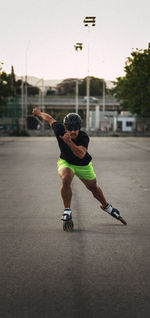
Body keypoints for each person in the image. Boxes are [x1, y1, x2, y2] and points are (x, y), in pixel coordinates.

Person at [32, 108, 127, 225]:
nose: (72, 131)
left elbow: (81, 154)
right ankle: (67, 210)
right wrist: (39, 113)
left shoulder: (83, 137)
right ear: (65, 127)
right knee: (66, 178)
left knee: (93, 187)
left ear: (79, 128)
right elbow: (49, 119)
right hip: (66, 162)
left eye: (75, 128)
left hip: (83, 164)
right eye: (69, 128)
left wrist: (69, 142)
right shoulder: (59, 129)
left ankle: (106, 206)